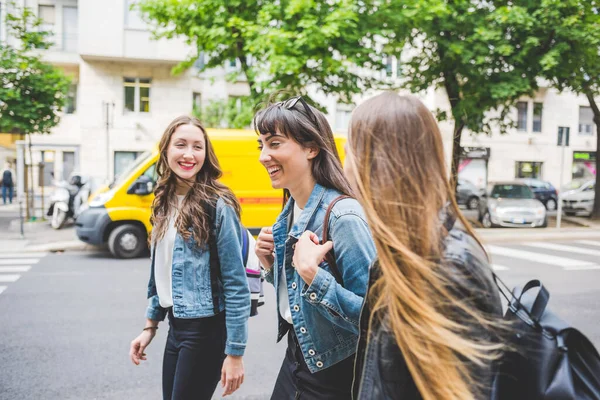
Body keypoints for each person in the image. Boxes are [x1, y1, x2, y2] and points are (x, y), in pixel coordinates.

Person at [309, 92, 502, 400]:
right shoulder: (403, 250)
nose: (344, 168)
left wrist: (315, 278)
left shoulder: (449, 266)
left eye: (350, 154)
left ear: (378, 166)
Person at [254, 96, 377, 399]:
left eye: (274, 143)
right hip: (299, 354)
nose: (263, 156)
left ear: (311, 148)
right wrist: (270, 264)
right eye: (261, 146)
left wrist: (314, 276)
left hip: (335, 372)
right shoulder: (290, 210)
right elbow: (294, 295)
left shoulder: (343, 216)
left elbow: (374, 319)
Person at [128, 116, 251, 400]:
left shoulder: (218, 203)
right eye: (180, 145)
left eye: (197, 147)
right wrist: (150, 326)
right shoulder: (164, 201)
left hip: (206, 331)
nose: (189, 154)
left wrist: (235, 353)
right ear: (166, 150)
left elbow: (235, 284)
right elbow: (161, 274)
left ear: (206, 154)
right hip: (176, 326)